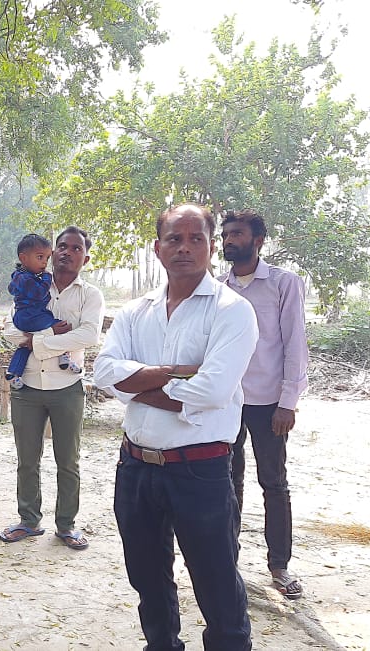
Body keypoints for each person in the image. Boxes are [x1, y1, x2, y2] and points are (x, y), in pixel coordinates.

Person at [94, 203, 257, 651]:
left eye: (195, 238)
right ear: (157, 247)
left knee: (216, 583)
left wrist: (135, 384)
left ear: (211, 246)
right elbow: (104, 373)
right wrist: (176, 371)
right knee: (147, 580)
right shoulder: (135, 311)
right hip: (136, 467)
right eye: (174, 238)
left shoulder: (232, 311)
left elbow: (212, 390)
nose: (184, 248)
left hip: (199, 471)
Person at [220, 209, 309, 600]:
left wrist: (288, 401)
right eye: (225, 235)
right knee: (226, 482)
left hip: (269, 403)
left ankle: (279, 565)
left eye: (236, 234)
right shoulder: (218, 287)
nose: (227, 241)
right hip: (226, 402)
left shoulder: (283, 284)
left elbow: (295, 343)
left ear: (258, 240)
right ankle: (227, 561)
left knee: (273, 483)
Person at [0, 227, 103, 550]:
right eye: (61, 246)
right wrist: (48, 340)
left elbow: (87, 336)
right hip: (26, 386)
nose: (66, 252)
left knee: (67, 460)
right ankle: (29, 521)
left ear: (85, 257)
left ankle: (66, 525)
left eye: (75, 248)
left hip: (67, 388)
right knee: (27, 459)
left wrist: (37, 341)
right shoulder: (31, 284)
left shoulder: (90, 296)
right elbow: (9, 329)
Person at [4, 234, 78, 389]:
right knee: (61, 326)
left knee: (25, 346)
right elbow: (38, 293)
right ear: (23, 258)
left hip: (23, 317)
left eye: (46, 258)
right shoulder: (27, 278)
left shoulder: (19, 277)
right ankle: (64, 356)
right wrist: (46, 278)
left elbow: (11, 289)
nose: (44, 262)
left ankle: (13, 373)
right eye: (39, 257)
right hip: (32, 316)